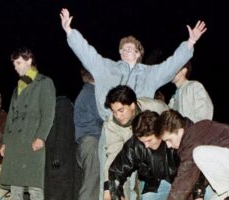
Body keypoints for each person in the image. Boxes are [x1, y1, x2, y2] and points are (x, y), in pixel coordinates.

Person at [59, 8, 206, 120]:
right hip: (111, 122)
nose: (125, 50)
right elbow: (87, 53)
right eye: (123, 49)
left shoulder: (150, 74)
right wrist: (70, 32)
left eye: (130, 48)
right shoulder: (106, 68)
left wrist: (190, 43)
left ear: (138, 54)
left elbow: (171, 65)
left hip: (138, 124)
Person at [0, 47, 56, 200]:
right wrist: (5, 142)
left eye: (18, 63)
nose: (15, 67)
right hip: (15, 144)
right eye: (14, 64)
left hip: (32, 141)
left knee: (35, 187)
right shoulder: (18, 87)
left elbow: (48, 113)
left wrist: (41, 137)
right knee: (15, 188)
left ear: (29, 60)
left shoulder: (44, 82)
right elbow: (10, 117)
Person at [103, 86, 167, 200]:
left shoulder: (155, 107)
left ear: (132, 105)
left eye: (121, 110)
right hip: (137, 162)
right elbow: (112, 156)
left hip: (162, 159)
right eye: (114, 111)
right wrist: (108, 189)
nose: (118, 116)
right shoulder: (112, 125)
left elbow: (175, 126)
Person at [107, 111, 182, 200]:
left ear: (160, 132)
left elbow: (192, 167)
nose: (145, 145)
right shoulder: (134, 145)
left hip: (183, 181)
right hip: (155, 186)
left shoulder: (174, 136)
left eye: (149, 140)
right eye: (142, 142)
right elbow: (115, 172)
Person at [72, 69, 104, 200]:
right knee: (91, 182)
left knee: (94, 182)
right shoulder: (91, 93)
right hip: (91, 142)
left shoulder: (86, 93)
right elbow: (101, 117)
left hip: (87, 143)